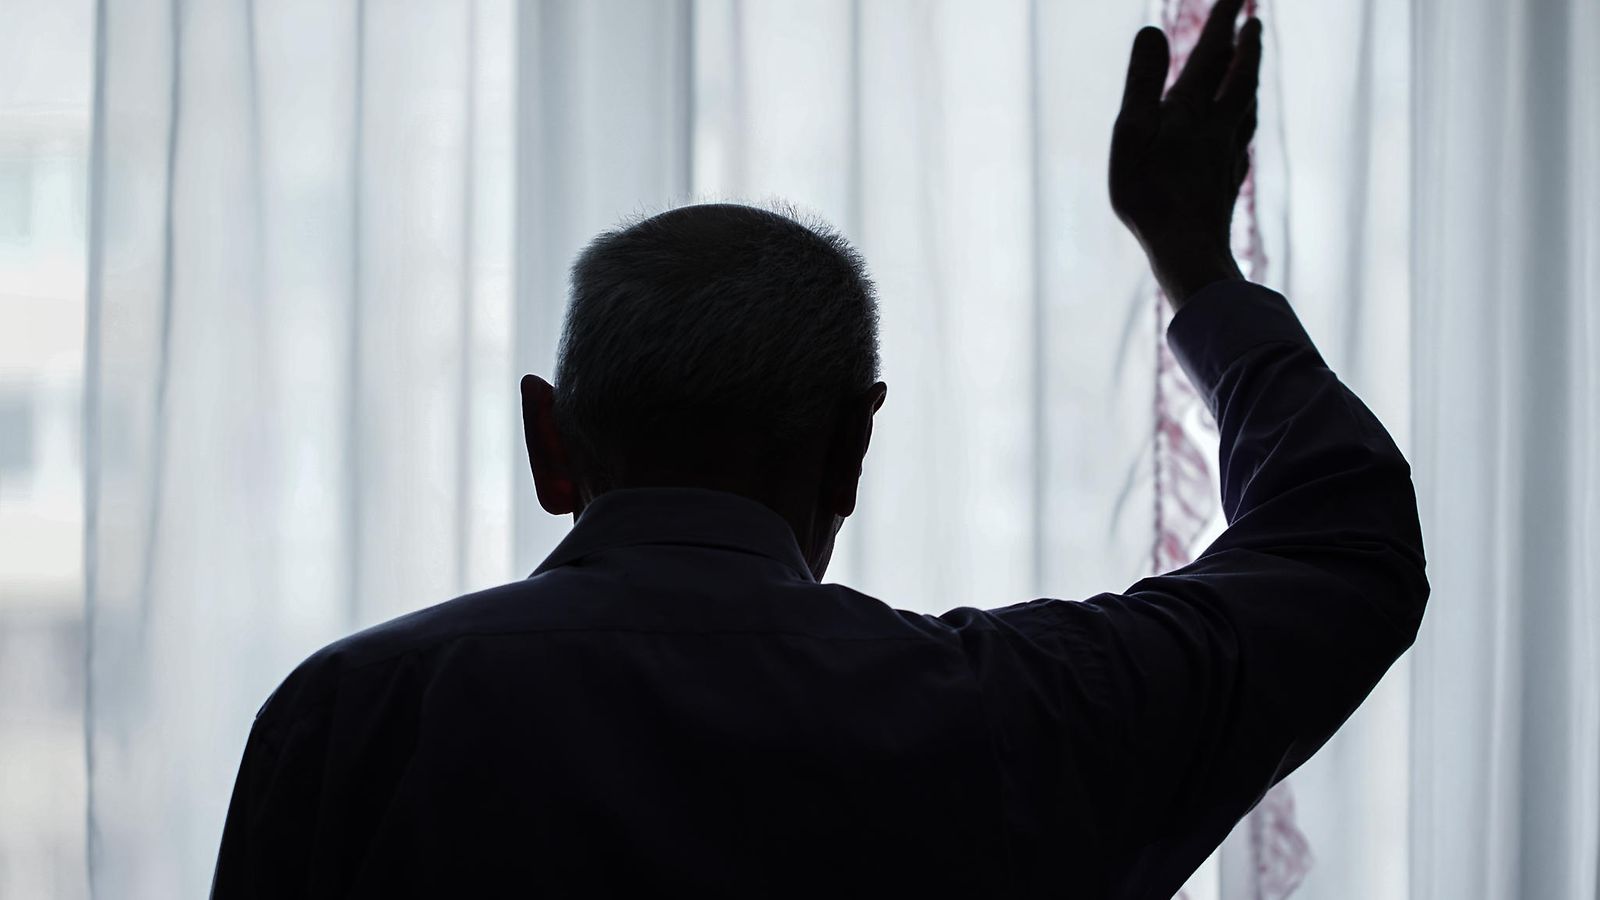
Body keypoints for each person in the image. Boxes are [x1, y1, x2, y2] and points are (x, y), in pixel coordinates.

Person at [212, 0, 1427, 896]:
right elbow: (1346, 551)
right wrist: (1196, 264)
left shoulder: (346, 723)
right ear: (851, 448)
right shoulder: (1008, 716)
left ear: (551, 444)